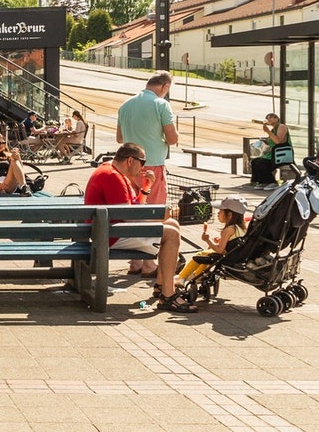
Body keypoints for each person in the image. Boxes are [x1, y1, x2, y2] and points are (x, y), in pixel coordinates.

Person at [84, 143, 193, 311]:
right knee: (171, 233)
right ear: (130, 160)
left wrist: (146, 188)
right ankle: (168, 294)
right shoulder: (112, 176)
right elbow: (128, 216)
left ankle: (162, 285)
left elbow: (132, 207)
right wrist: (158, 217)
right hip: (111, 235)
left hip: (110, 230)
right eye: (142, 162)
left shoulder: (112, 171)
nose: (143, 167)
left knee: (172, 224)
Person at [116, 71, 178, 206]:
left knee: (131, 206)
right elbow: (172, 139)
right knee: (154, 209)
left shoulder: (125, 105)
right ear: (165, 87)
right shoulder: (161, 105)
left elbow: (119, 138)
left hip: (127, 165)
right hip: (152, 165)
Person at [177, 196, 247, 284]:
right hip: (235, 255)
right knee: (208, 253)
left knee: (201, 255)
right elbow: (233, 241)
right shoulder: (241, 228)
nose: (218, 213)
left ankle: (181, 277)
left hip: (226, 257)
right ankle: (197, 274)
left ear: (229, 215)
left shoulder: (228, 230)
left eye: (220, 211)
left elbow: (219, 250)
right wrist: (220, 241)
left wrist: (207, 240)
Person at [250, 113, 292, 187]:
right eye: (267, 118)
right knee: (255, 161)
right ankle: (261, 181)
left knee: (263, 163)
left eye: (271, 117)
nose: (268, 119)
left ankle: (272, 182)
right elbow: (271, 142)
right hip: (272, 154)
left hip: (281, 154)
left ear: (276, 119)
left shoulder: (281, 127)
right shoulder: (273, 130)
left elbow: (277, 141)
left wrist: (268, 131)